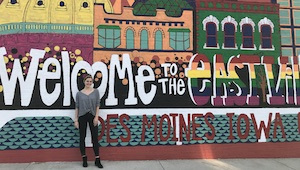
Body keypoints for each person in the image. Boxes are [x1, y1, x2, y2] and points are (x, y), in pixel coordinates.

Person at [74, 74, 103, 168]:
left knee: (95, 137)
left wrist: (96, 117)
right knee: (82, 137)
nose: (89, 83)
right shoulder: (79, 93)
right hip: (82, 116)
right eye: (87, 81)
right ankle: (84, 158)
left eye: (90, 81)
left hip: (92, 116)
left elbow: (98, 104)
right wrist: (76, 120)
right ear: (84, 82)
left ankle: (97, 159)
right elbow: (77, 107)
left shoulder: (96, 92)